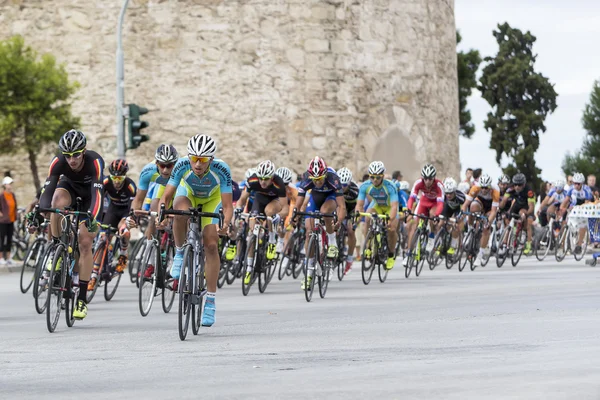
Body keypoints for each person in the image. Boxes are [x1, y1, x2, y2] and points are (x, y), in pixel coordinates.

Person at [158, 134, 233, 327]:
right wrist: (162, 214)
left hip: (211, 200)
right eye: (194, 159)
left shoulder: (222, 170)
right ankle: (180, 252)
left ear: (211, 160)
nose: (197, 164)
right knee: (179, 212)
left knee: (210, 244)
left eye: (203, 160)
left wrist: (226, 223)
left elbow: (227, 205)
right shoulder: (182, 165)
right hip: (188, 194)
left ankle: (210, 300)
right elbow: (166, 196)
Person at [38, 129, 104, 320]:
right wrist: (42, 210)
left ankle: (81, 299)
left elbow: (98, 195)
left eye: (76, 154)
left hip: (90, 196)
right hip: (69, 189)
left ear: (83, 151)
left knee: (85, 243)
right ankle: (58, 247)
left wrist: (92, 216)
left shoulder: (95, 162)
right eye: (68, 155)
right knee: (56, 202)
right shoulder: (58, 163)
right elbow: (48, 191)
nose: (72, 160)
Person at [292, 156, 346, 289]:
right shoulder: (306, 178)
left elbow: (342, 206)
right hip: (316, 197)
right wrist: (295, 215)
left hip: (330, 197)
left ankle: (332, 241)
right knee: (309, 229)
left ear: (325, 175)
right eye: (314, 180)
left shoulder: (333, 178)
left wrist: (339, 221)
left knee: (324, 211)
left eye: (320, 179)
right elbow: (298, 202)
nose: (317, 182)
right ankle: (309, 272)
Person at [88, 159, 136, 290]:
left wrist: (126, 221)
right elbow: (97, 201)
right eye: (114, 177)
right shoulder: (106, 182)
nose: (116, 181)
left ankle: (123, 255)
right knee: (102, 238)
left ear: (124, 176)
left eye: (119, 178)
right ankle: (94, 275)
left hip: (126, 211)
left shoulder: (130, 186)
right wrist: (95, 218)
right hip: (113, 210)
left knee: (124, 231)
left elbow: (133, 209)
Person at [356, 161, 399, 270]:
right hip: (377, 205)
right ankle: (368, 247)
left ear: (383, 176)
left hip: (389, 207)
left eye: (378, 177)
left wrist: (390, 219)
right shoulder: (365, 186)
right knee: (367, 217)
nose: (375, 180)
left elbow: (394, 206)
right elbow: (359, 205)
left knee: (391, 229)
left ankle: (390, 255)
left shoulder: (390, 186)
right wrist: (358, 214)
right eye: (372, 177)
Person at [0, 176, 18, 265]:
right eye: (9, 184)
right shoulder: (2, 196)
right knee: (2, 238)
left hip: (11, 219)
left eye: (11, 184)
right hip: (3, 221)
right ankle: (1, 258)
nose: (10, 186)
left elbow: (15, 206)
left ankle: (8, 257)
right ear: (4, 185)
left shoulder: (12, 195)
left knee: (10, 239)